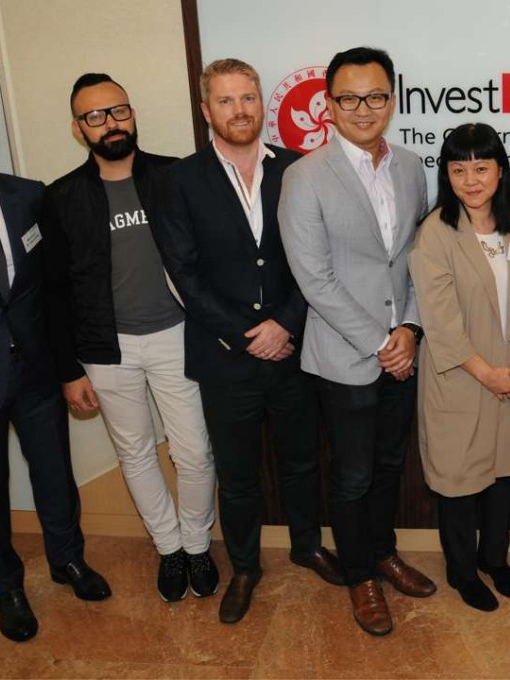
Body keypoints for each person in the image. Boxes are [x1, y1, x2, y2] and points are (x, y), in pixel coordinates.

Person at [153, 59, 343, 624]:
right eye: (226, 100)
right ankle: (244, 567)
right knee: (236, 475)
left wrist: (286, 323)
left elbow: (318, 258)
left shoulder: (300, 168)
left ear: (262, 103)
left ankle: (307, 546)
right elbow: (183, 274)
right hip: (224, 359)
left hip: (294, 350)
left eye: (249, 98)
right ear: (206, 110)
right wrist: (245, 336)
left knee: (302, 462)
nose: (240, 110)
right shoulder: (179, 180)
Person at [41, 74, 216, 604]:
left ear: (132, 114)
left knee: (194, 452)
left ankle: (198, 544)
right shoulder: (61, 197)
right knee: (135, 453)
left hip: (178, 335)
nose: (110, 123)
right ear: (79, 128)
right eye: (95, 116)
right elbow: (55, 291)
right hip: (105, 349)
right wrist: (69, 369)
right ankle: (170, 548)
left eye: (118, 110)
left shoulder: (174, 176)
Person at [279, 46, 435, 637]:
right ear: (329, 104)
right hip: (345, 356)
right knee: (351, 476)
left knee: (390, 464)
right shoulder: (304, 176)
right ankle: (359, 576)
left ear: (391, 100)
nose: (363, 108)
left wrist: (410, 330)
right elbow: (314, 278)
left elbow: (417, 257)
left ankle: (383, 552)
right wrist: (380, 342)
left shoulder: (411, 166)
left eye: (375, 96)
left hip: (403, 350)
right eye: (350, 98)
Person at [409, 124, 510, 613]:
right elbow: (440, 322)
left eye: (481, 168)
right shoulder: (435, 233)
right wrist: (487, 374)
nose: (471, 180)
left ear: (501, 171)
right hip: (460, 378)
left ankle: (494, 560)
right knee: (459, 484)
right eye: (458, 170)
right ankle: (462, 572)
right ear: (447, 175)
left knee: (501, 478)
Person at [0, 141, 110, 642]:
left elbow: (53, 285)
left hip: (37, 368)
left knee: (55, 471)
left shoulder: (28, 196)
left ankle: (68, 560)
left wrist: (66, 364)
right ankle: (7, 587)